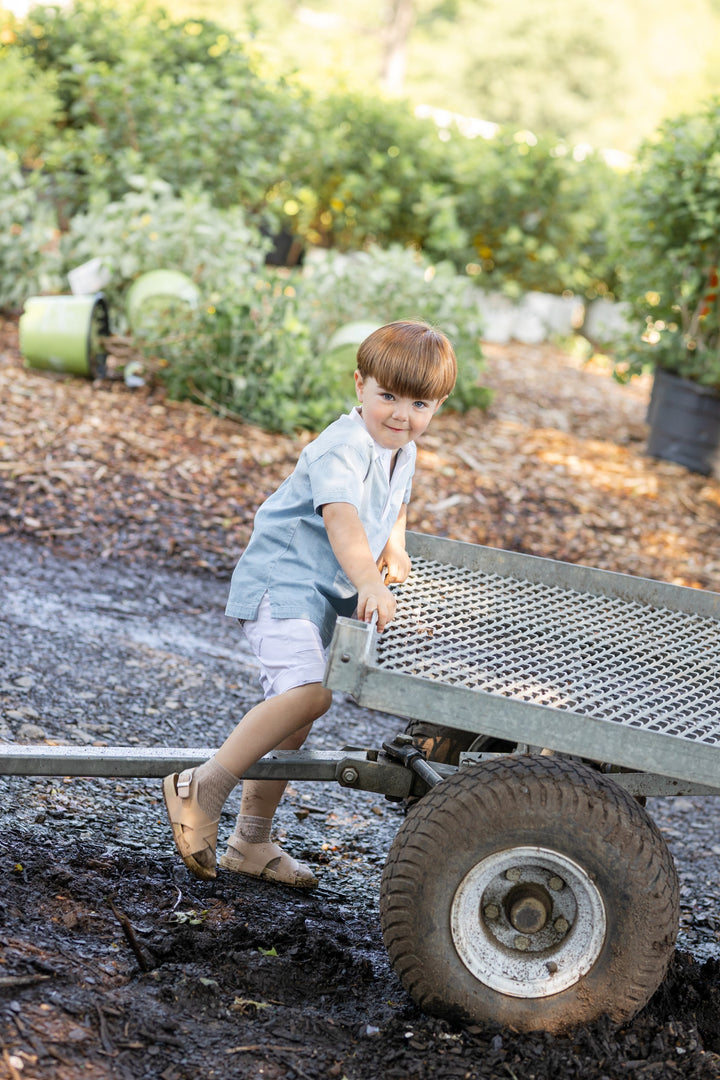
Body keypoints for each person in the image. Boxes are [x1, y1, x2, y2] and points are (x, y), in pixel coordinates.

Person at [162, 320, 457, 886]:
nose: (400, 414)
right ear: (359, 386)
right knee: (309, 694)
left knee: (291, 723)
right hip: (285, 585)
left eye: (418, 403)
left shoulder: (403, 449)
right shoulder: (342, 448)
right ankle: (202, 785)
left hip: (325, 594)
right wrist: (370, 579)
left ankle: (250, 842)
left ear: (437, 405)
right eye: (387, 396)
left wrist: (395, 541)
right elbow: (343, 520)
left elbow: (396, 501)